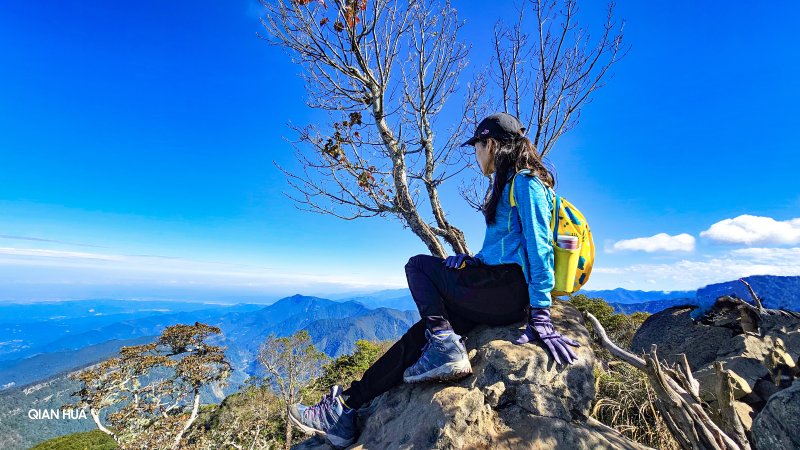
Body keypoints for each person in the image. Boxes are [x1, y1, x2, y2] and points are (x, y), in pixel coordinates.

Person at [287, 112, 581, 448]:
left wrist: (541, 314)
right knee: (419, 337)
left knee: (419, 266)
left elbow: (539, 248)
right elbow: (506, 248)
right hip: (496, 290)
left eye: (477, 147)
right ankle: (346, 409)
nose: (476, 155)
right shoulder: (509, 184)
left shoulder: (526, 184)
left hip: (506, 291)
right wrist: (471, 262)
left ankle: (443, 343)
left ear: (492, 143)